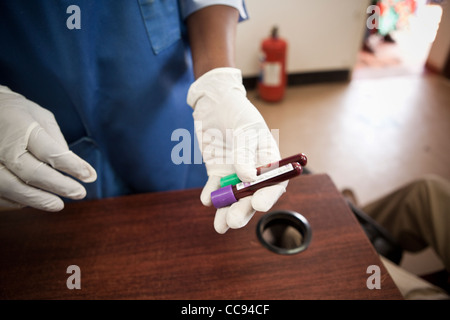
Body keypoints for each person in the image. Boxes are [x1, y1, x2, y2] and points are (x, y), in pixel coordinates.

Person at [0, 1, 287, 234]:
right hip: (32, 113)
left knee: (186, 222)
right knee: (68, 236)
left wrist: (219, 81)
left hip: (160, 106)